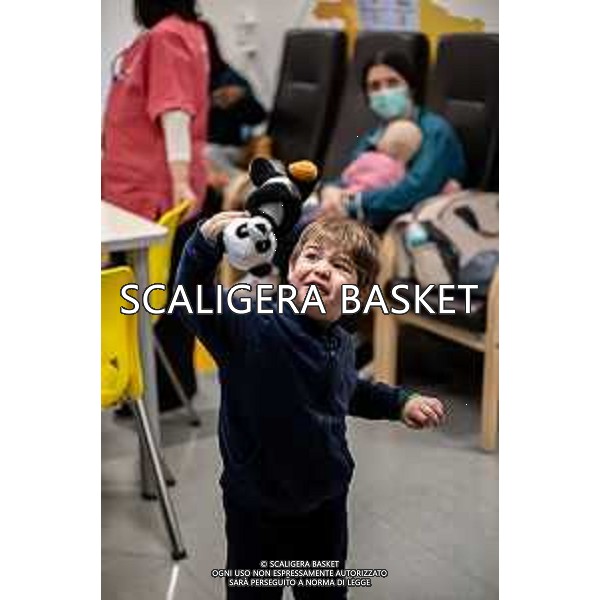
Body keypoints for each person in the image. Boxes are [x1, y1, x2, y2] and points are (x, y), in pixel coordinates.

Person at [174, 213, 445, 599]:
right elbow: (191, 297)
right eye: (312, 256)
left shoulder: (341, 340)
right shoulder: (251, 327)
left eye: (340, 266)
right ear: (291, 267)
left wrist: (401, 402)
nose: (321, 268)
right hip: (257, 506)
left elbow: (347, 391)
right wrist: (204, 243)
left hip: (325, 501)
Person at [102, 0, 210, 411]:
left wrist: (179, 181)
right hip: (140, 189)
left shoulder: (166, 37)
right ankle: (164, 388)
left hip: (149, 194)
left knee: (148, 292)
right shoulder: (181, 33)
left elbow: (175, 111)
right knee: (166, 292)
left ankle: (153, 391)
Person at [319, 50, 467, 232]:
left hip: (414, 228)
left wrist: (354, 200)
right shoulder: (375, 132)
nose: (384, 92)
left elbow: (415, 190)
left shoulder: (436, 130)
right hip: (363, 219)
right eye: (375, 86)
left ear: (411, 87)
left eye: (392, 83)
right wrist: (330, 190)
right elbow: (353, 173)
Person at [199, 20, 268, 181]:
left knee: (206, 153)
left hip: (225, 149)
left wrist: (241, 100)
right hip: (197, 149)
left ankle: (245, 186)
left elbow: (259, 116)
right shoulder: (184, 80)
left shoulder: (229, 79)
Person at [341, 118, 423, 194]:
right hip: (376, 199)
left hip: (353, 191)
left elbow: (347, 174)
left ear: (384, 139)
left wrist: (346, 179)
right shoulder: (401, 171)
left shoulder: (369, 157)